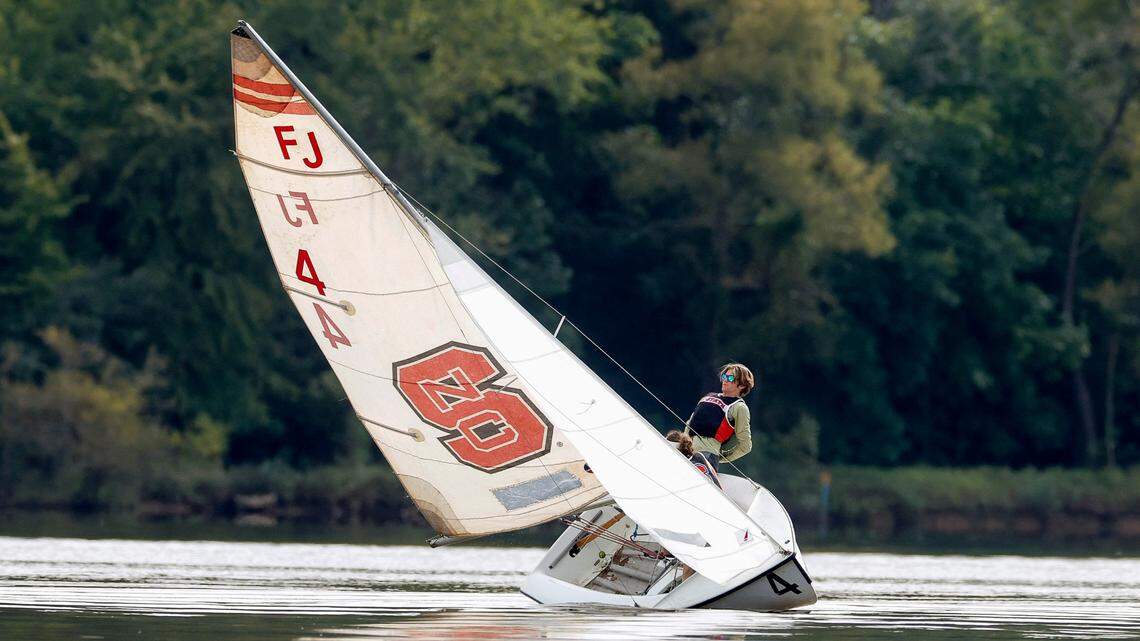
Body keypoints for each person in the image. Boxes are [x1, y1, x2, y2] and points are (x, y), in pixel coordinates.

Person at [683, 363, 754, 474]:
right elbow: (690, 423)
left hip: (707, 455)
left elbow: (746, 446)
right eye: (724, 377)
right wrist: (682, 446)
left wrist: (720, 458)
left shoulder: (739, 407)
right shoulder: (707, 397)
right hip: (687, 451)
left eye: (730, 378)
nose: (725, 380)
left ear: (742, 385)